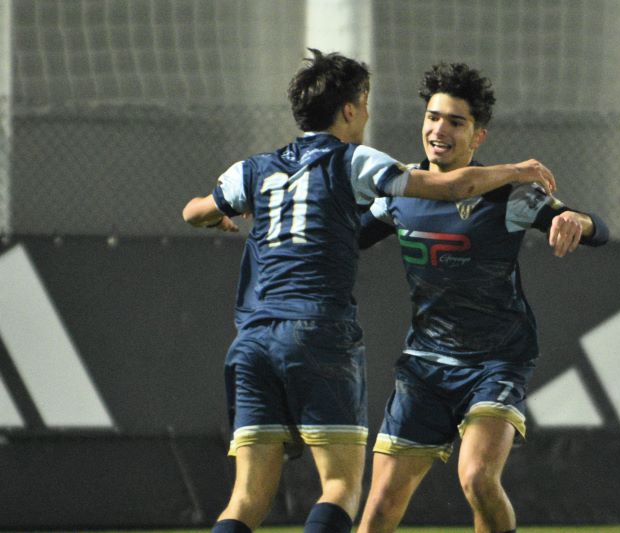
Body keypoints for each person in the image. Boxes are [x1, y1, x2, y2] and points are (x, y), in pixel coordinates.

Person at [182, 50, 556, 533]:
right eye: (365, 101)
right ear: (350, 110)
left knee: (246, 498)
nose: (367, 111)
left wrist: (217, 217)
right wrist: (516, 170)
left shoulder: (252, 170)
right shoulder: (354, 161)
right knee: (341, 487)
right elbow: (447, 188)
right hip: (318, 333)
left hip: (252, 340)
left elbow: (193, 211)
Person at [356, 63, 610, 533]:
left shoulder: (509, 196)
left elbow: (598, 229)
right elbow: (347, 237)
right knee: (380, 507)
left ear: (478, 137)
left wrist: (577, 221)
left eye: (455, 122)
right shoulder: (398, 190)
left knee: (476, 478)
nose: (439, 130)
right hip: (425, 365)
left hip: (497, 361)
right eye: (433, 117)